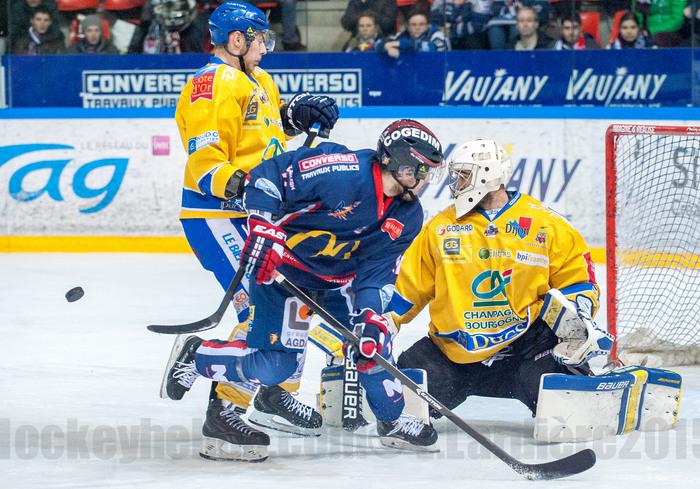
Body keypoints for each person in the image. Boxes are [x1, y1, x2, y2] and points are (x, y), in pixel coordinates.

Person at [165, 119, 445, 461]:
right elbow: (267, 178)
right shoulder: (342, 171)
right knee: (274, 367)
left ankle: (393, 420)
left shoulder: (408, 215)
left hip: (337, 283)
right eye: (421, 169)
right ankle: (200, 355)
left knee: (375, 341)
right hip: (284, 274)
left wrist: (370, 315)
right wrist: (262, 225)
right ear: (397, 161)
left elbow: (376, 272)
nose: (425, 179)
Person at [169, 0, 339, 462]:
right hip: (216, 216)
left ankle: (272, 390)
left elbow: (262, 136)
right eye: (259, 37)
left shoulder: (259, 78)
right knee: (261, 311)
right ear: (236, 40)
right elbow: (206, 161)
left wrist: (294, 119)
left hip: (257, 217)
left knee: (296, 300)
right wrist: (246, 186)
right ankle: (223, 414)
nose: (266, 46)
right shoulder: (210, 83)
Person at [389, 139, 612, 425]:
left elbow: (579, 282)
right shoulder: (440, 228)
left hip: (528, 352)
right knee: (401, 390)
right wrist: (383, 321)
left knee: (571, 411)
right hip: (453, 355)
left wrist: (577, 320)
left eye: (464, 175)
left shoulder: (546, 224)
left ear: (488, 175)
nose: (456, 183)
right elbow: (408, 289)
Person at [377, 10, 448, 58]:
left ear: (427, 26)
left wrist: (400, 44)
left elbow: (433, 48)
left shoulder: (437, 35)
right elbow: (378, 43)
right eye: (413, 24)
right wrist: (386, 47)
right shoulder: (402, 35)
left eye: (421, 24)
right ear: (408, 27)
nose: (417, 28)